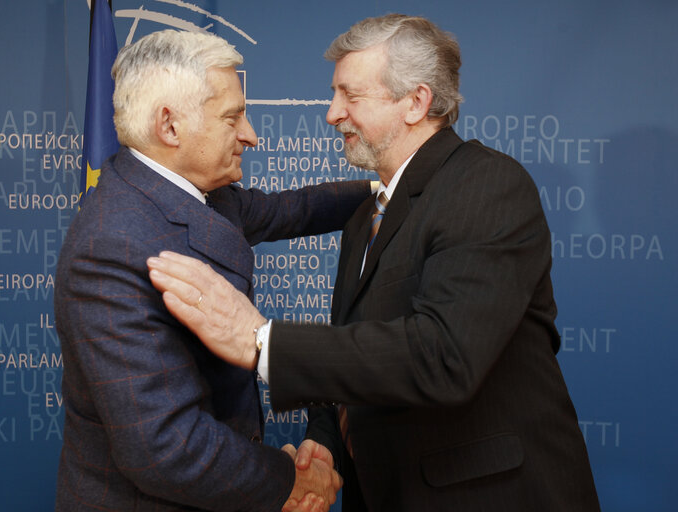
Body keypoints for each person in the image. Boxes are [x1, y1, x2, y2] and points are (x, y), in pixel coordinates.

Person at [146, 14, 601, 512]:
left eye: (350, 96)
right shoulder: (369, 215)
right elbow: (360, 341)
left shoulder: (487, 185)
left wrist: (261, 341)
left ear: (416, 102)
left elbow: (443, 356)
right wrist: (325, 438)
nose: (332, 113)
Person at [54, 29, 371, 512]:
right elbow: (166, 448)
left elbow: (299, 208)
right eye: (232, 117)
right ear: (170, 126)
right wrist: (288, 481)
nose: (250, 134)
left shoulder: (204, 195)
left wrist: (391, 185)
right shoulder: (110, 246)